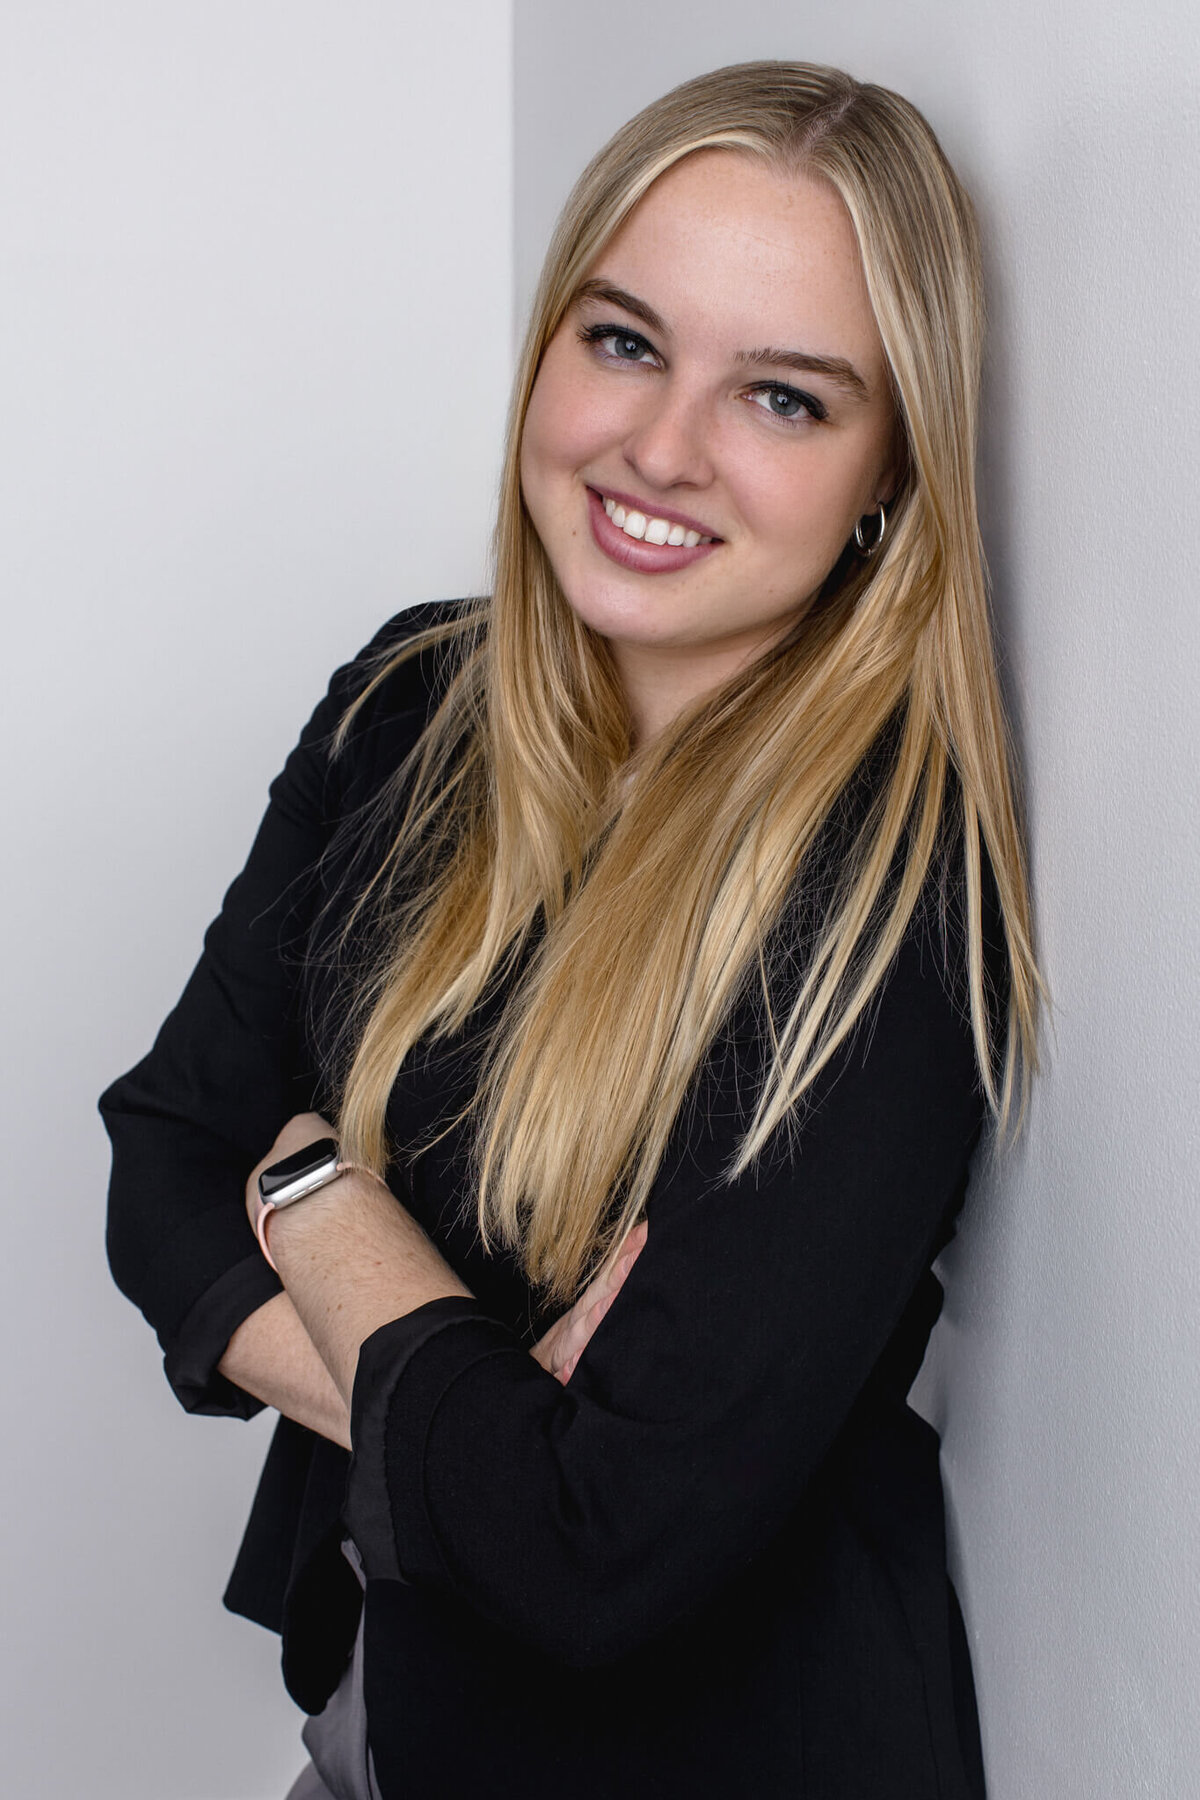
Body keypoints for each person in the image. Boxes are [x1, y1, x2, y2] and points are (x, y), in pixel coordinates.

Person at [101, 59, 1041, 1800]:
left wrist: (308, 1187)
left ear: (889, 477)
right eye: (624, 341)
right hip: (383, 1730)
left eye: (782, 397)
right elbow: (158, 1162)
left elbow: (586, 1553)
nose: (662, 449)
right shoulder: (410, 701)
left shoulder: (886, 899)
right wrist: (464, 1413)